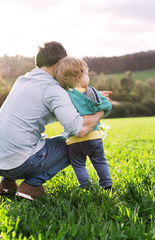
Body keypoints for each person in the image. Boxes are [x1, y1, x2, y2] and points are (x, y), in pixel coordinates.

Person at [0, 41, 109, 200]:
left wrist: (90, 97)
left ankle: (7, 183)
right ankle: (32, 186)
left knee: (29, 138)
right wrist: (101, 109)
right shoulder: (52, 89)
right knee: (75, 143)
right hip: (17, 163)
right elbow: (80, 129)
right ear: (60, 63)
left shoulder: (23, 80)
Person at [54, 56, 112, 190]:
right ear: (78, 77)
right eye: (87, 74)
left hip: (73, 140)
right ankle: (106, 185)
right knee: (100, 161)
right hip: (93, 137)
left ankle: (85, 186)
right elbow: (107, 106)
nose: (88, 77)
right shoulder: (92, 93)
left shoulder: (64, 96)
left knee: (79, 165)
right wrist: (102, 108)